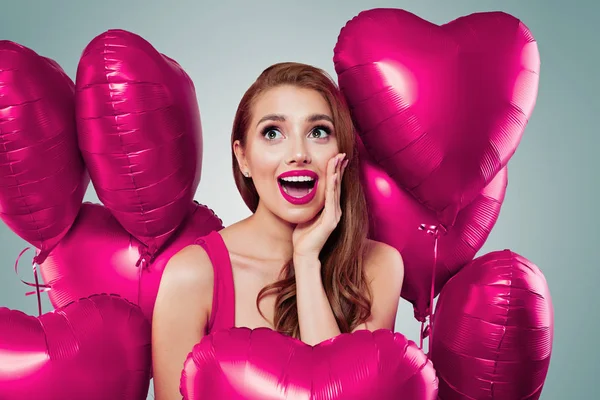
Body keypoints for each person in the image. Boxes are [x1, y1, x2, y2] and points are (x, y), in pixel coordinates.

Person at [151, 62, 405, 399]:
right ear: (243, 158)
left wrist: (307, 259)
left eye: (319, 132)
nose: (299, 154)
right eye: (273, 133)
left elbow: (338, 395)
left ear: (342, 152)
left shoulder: (379, 265)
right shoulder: (194, 275)